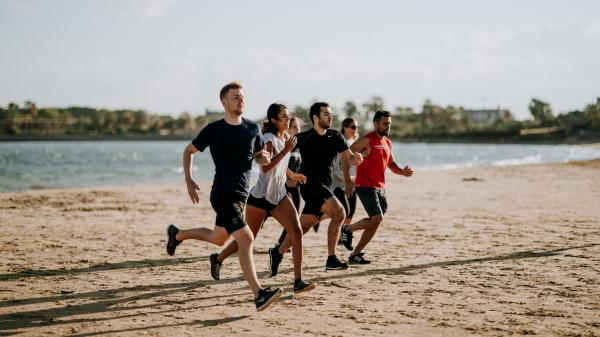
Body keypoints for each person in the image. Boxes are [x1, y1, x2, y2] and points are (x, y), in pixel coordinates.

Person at [165, 82, 283, 311]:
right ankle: (259, 294)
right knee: (246, 238)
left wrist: (264, 158)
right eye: (236, 97)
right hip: (222, 194)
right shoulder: (214, 129)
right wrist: (189, 180)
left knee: (218, 238)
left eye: (242, 97)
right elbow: (189, 151)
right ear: (224, 102)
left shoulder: (252, 128)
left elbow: (258, 155)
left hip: (241, 195)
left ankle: (177, 234)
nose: (241, 101)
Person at [209, 104, 316, 294]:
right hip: (259, 198)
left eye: (288, 116)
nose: (287, 119)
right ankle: (218, 259)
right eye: (283, 116)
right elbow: (266, 168)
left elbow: (280, 166)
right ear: (274, 120)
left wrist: (292, 175)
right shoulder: (268, 139)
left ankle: (298, 281)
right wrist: (286, 151)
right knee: (248, 238)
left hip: (279, 196)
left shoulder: (285, 138)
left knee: (297, 232)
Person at [269, 102, 364, 275]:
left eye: (330, 114)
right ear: (315, 117)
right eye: (326, 114)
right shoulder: (304, 137)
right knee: (340, 212)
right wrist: (290, 175)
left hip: (325, 185)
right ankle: (331, 258)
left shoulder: (335, 136)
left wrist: (356, 159)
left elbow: (348, 158)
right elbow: (281, 154)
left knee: (302, 227)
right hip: (310, 185)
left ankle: (277, 252)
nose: (330, 117)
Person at [340, 110, 413, 264]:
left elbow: (391, 164)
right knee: (377, 218)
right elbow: (345, 156)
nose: (388, 126)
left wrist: (403, 172)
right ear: (376, 124)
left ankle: (355, 254)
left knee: (376, 221)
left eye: (389, 124)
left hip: (380, 187)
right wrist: (347, 181)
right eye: (385, 123)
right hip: (365, 185)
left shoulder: (387, 142)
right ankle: (347, 229)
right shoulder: (366, 140)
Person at [274, 116, 304, 247]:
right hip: (283, 186)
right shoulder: (285, 145)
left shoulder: (299, 145)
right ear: (288, 129)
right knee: (267, 214)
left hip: (295, 187)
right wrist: (288, 178)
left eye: (299, 127)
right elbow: (278, 164)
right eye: (294, 127)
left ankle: (281, 242)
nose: (297, 130)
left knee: (294, 216)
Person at [331, 118, 359, 241]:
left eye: (356, 127)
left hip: (353, 182)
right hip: (338, 184)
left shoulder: (356, 142)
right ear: (344, 127)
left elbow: (357, 164)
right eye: (353, 127)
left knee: (351, 211)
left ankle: (344, 235)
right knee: (344, 210)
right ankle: (317, 218)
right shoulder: (340, 143)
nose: (355, 130)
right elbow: (336, 165)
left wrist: (356, 179)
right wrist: (346, 179)